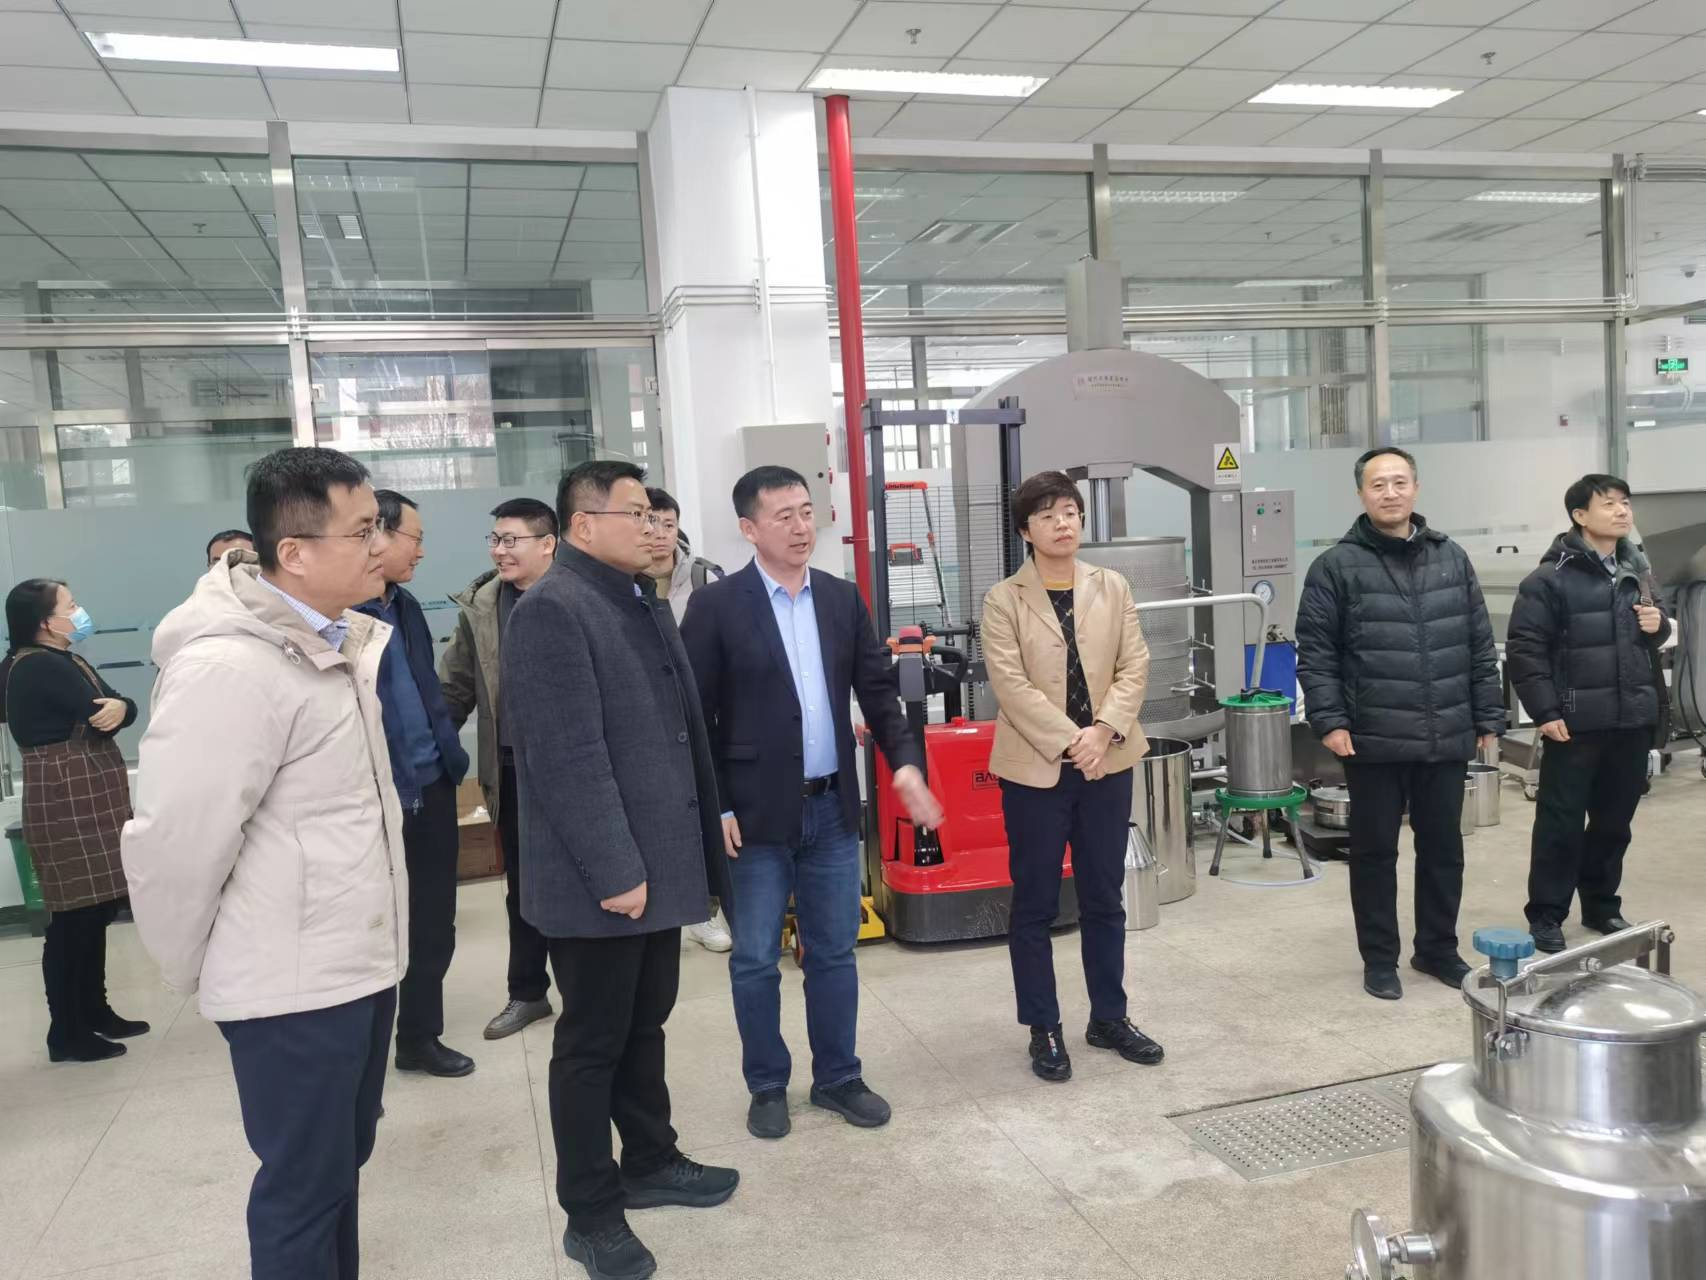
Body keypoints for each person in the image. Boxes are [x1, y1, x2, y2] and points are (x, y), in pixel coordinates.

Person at [122, 448, 405, 1280]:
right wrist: (199, 967)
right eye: (362, 531)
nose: (382, 546)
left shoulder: (330, 642)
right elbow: (176, 843)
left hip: (354, 966)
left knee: (337, 1170)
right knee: (302, 1191)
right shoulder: (230, 666)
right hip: (289, 988)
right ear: (295, 552)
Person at [504, 460, 738, 1280]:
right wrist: (614, 869)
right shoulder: (553, 609)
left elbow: (677, 733)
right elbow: (566, 758)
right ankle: (591, 1213)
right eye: (634, 514)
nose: (652, 527)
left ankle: (650, 1160)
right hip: (604, 879)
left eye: (653, 514)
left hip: (656, 862)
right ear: (582, 525)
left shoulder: (634, 596)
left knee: (646, 1024)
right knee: (591, 1044)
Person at [681, 465, 943, 1142]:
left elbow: (878, 694)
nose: (802, 528)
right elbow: (694, 718)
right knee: (754, 959)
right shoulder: (715, 608)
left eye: (807, 512)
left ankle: (838, 1077)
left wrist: (906, 765)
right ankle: (767, 1085)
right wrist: (717, 808)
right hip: (752, 816)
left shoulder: (839, 598)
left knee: (833, 951)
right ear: (749, 529)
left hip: (830, 808)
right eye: (784, 516)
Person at [1296, 446, 1504, 1002]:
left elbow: (1479, 643)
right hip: (1373, 736)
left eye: (1399, 482)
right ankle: (1379, 958)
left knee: (1443, 850)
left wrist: (1488, 713)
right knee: (1374, 853)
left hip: (1445, 730)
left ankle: (1436, 949)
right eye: (1378, 484)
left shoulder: (1451, 557)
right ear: (1361, 494)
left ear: (1415, 487)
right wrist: (1330, 721)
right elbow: (1316, 653)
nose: (1390, 493)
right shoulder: (1335, 567)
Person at [979, 471, 1161, 1083]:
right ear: (1025, 530)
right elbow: (1011, 686)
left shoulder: (1112, 586)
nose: (1063, 523)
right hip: (1036, 771)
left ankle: (1109, 1017)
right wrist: (1072, 740)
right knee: (1034, 902)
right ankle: (1044, 1027)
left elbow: (1135, 666)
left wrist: (1102, 731)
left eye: (1070, 512)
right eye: (1048, 514)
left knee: (1105, 896)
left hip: (1108, 760)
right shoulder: (1004, 599)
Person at [1506, 474, 1670, 954]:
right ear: (1580, 516)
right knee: (1560, 823)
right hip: (1575, 723)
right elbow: (1525, 650)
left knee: (1614, 823)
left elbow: (1657, 634)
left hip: (1631, 717)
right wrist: (1544, 711)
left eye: (1625, 503)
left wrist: (1659, 625)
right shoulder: (1549, 578)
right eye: (1609, 504)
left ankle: (1601, 906)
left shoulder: (1638, 571)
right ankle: (1546, 915)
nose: (1622, 511)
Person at [355, 491, 475, 1078]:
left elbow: (427, 687)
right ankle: (363, 1053)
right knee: (373, 928)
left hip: (431, 785)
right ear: (376, 534)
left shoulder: (404, 607)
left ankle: (419, 1038)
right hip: (373, 797)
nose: (421, 551)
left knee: (433, 922)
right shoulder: (343, 616)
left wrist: (450, 755)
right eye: (416, 538)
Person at [1, 579, 144, 1063]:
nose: (80, 612)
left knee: (97, 908)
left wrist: (123, 707)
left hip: (88, 790)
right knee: (72, 917)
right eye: (71, 605)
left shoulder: (66, 659)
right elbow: (96, 709)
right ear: (47, 621)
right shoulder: (36, 665)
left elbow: (120, 706)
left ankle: (95, 1011)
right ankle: (66, 1031)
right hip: (66, 794)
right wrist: (117, 708)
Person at [441, 497, 561, 1041]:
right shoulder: (483, 606)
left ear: (548, 544)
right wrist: (431, 757)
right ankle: (528, 992)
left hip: (577, 769)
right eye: (494, 539)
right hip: (513, 770)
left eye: (511, 540)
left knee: (588, 883)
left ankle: (590, 993)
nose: (499, 550)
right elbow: (455, 688)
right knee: (523, 888)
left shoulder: (579, 596)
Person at [646, 485, 731, 955]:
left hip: (697, 716)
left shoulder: (703, 578)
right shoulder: (618, 578)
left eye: (668, 524)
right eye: (650, 522)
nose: (659, 533)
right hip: (644, 720)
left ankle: (705, 910)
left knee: (702, 812)